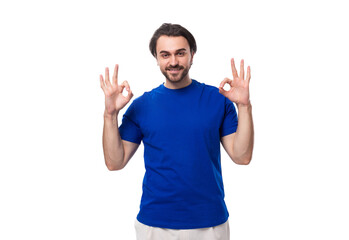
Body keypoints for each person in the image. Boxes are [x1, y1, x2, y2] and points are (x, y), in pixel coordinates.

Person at [100, 23, 254, 240]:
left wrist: (244, 107)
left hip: (209, 224)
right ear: (156, 58)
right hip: (155, 226)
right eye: (165, 55)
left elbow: (242, 156)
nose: (173, 61)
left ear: (192, 54)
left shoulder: (218, 100)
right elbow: (114, 162)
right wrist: (110, 115)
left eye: (180, 53)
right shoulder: (141, 106)